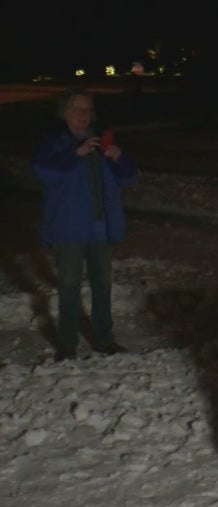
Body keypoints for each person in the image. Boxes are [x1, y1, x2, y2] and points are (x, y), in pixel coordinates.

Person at [32, 87, 138, 361]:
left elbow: (127, 178)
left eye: (88, 110)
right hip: (68, 229)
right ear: (65, 113)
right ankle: (67, 346)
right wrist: (74, 154)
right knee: (69, 287)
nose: (83, 115)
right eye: (77, 109)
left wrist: (119, 158)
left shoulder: (100, 144)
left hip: (100, 229)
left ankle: (104, 340)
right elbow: (43, 171)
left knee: (103, 285)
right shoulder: (54, 143)